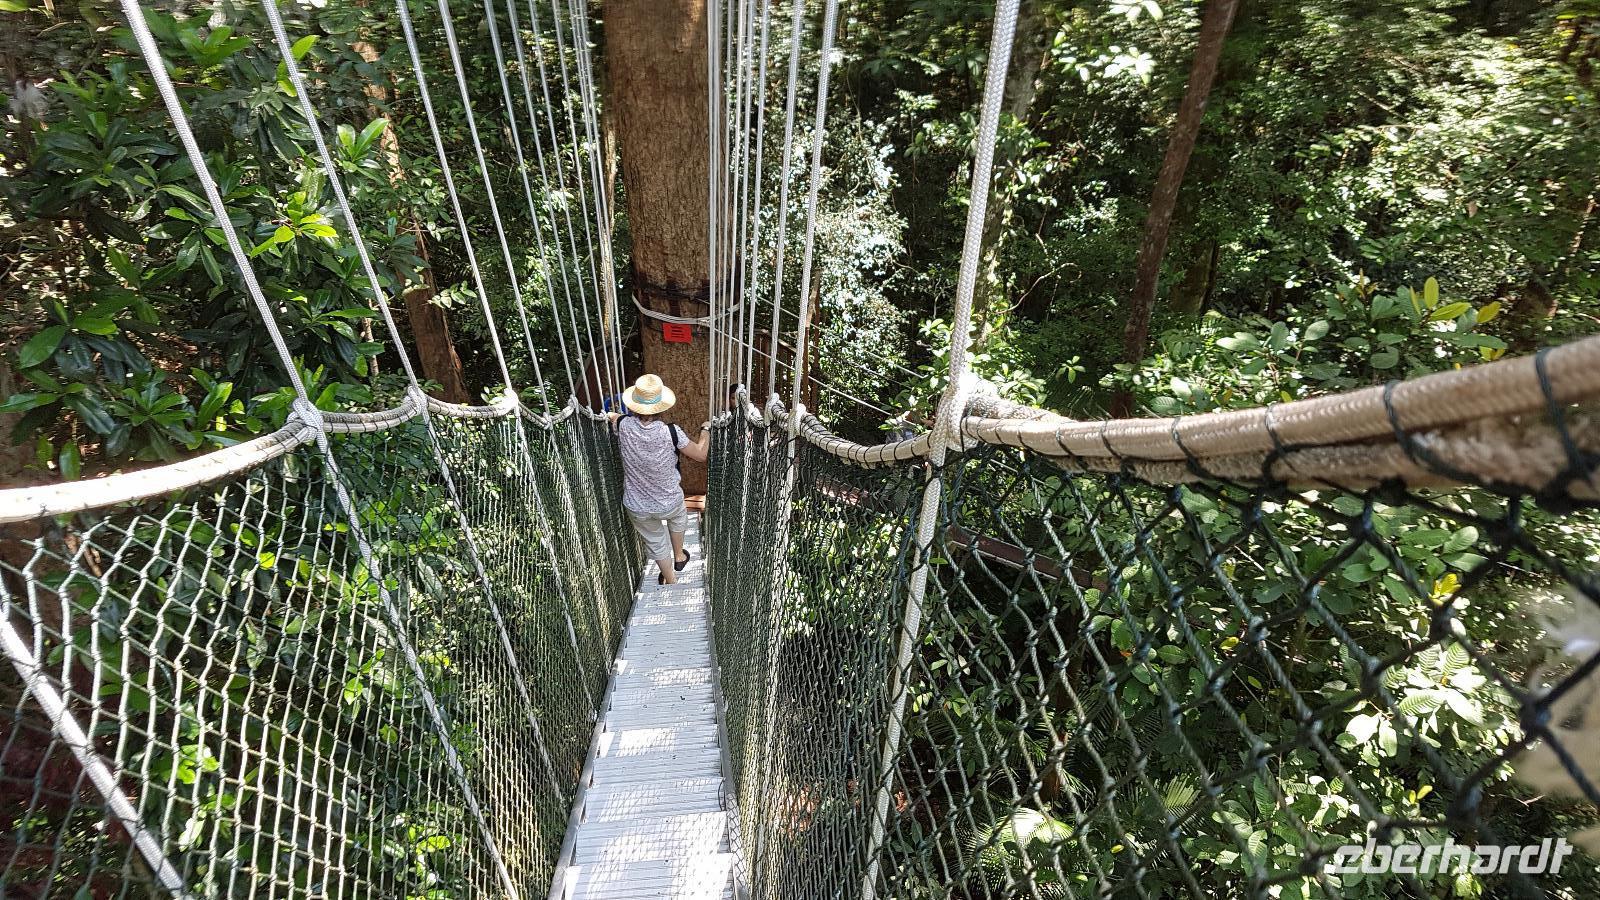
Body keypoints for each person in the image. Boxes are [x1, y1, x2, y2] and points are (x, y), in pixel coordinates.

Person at [609, 374, 709, 585]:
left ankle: (671, 581)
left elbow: (613, 417)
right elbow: (701, 455)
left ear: (634, 406)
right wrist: (706, 431)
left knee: (655, 541)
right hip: (669, 501)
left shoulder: (623, 425)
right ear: (661, 406)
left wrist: (609, 414)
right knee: (679, 518)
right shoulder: (671, 432)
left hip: (637, 506)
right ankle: (679, 556)